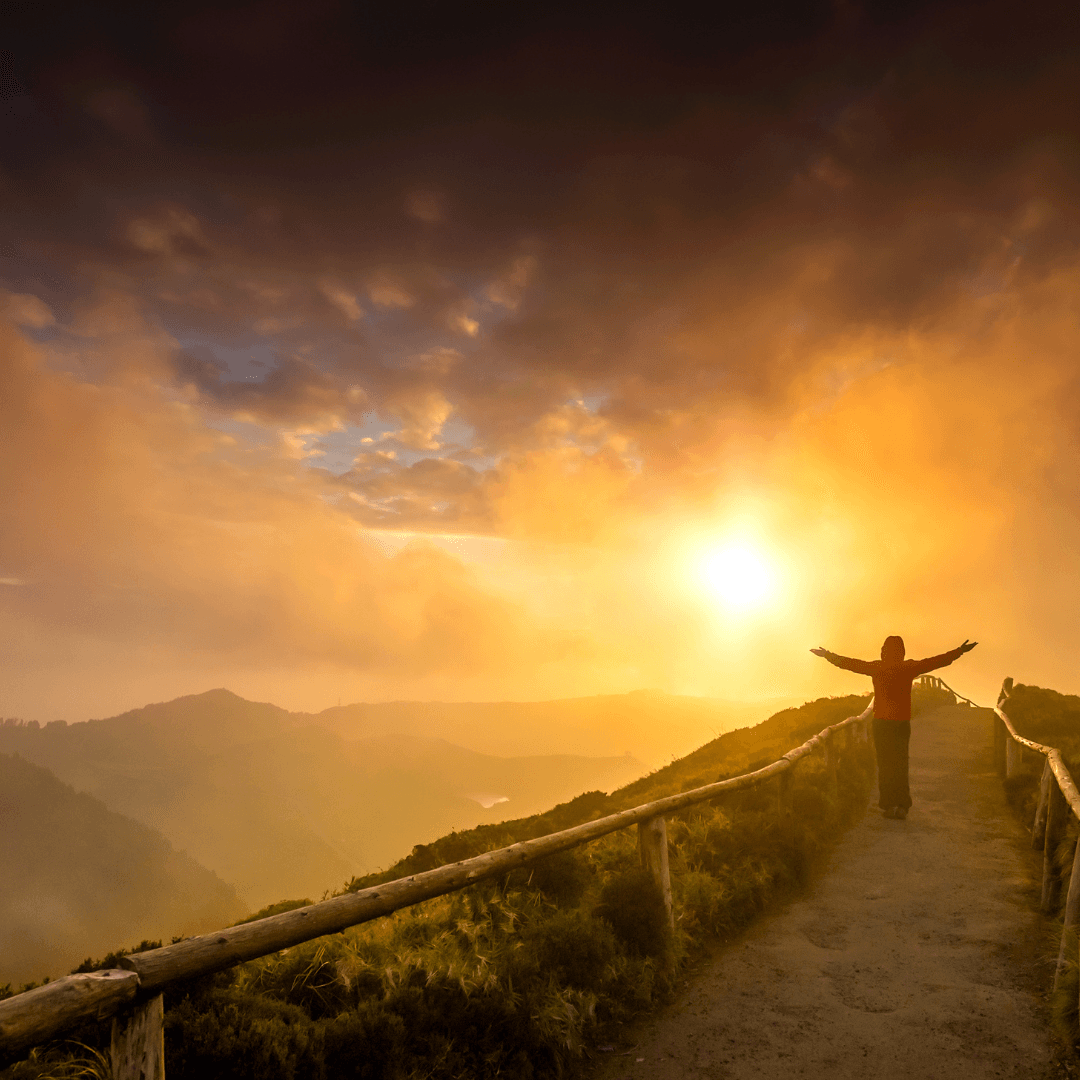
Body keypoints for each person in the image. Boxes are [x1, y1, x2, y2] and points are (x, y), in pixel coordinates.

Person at [810, 636, 978, 819]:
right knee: (901, 764)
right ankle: (902, 805)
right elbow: (935, 661)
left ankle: (888, 805)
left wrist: (827, 655)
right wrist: (959, 651)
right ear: (901, 652)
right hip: (901, 724)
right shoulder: (908, 667)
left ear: (885, 651)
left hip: (881, 723)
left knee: (885, 765)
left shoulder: (877, 667)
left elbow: (851, 664)